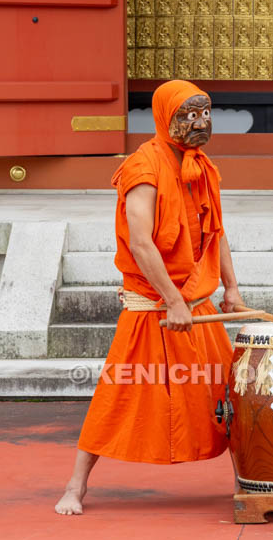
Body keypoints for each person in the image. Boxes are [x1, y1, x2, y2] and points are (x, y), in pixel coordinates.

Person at [55, 80, 245, 515]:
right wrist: (172, 300)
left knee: (227, 393)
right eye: (188, 115)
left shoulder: (202, 166)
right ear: (165, 118)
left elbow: (217, 231)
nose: (200, 123)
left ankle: (246, 478)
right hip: (152, 304)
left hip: (196, 301)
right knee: (119, 393)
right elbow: (142, 243)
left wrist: (231, 288)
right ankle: (75, 486)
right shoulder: (144, 167)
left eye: (205, 113)